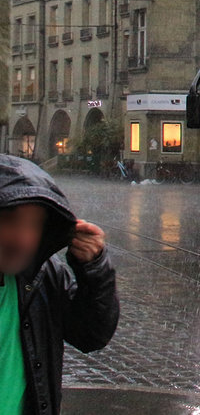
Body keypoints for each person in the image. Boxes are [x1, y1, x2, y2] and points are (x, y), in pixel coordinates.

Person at [0, 154, 119, 415]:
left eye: (34, 224)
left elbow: (91, 334)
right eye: (10, 220)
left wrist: (93, 268)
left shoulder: (42, 274)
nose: (22, 239)